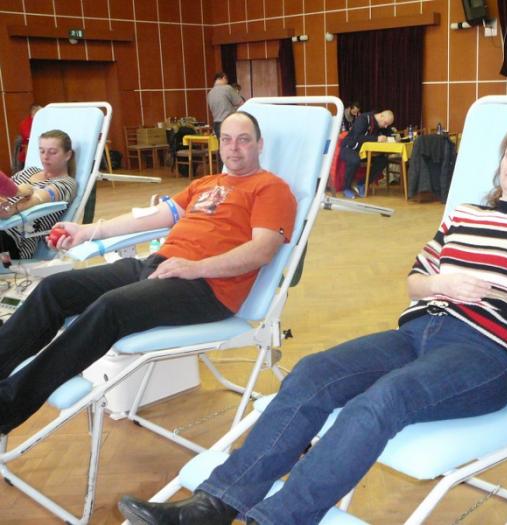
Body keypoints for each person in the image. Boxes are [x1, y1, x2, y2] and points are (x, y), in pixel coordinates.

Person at [118, 122, 507, 525]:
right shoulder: (464, 215)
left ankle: (277, 519)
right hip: (416, 332)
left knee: (385, 398)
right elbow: (415, 282)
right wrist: (443, 284)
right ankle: (214, 505)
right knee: (312, 372)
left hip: (483, 353)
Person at [0, 112, 297, 435]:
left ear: (259, 145)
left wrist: (195, 267)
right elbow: (150, 217)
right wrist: (87, 231)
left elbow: (261, 250)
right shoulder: (205, 184)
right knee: (55, 289)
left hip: (206, 286)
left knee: (110, 308)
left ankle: (8, 404)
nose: (234, 148)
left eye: (244, 140)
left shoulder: (271, 188)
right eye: (227, 139)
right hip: (158, 265)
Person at [0, 129, 77, 259]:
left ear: (67, 155)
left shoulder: (67, 183)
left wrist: (11, 209)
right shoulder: (30, 171)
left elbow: (39, 198)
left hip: (14, 244)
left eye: (52, 152)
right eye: (42, 151)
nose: (45, 157)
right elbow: (4, 190)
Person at [339, 109, 394, 199]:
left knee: (383, 160)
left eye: (387, 125)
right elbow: (357, 137)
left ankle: (362, 183)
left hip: (365, 152)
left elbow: (389, 132)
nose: (386, 126)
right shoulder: (363, 119)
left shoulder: (380, 123)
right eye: (385, 123)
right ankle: (346, 188)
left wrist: (393, 137)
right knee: (354, 160)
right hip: (349, 148)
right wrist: (376, 139)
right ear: (381, 116)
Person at [207, 72, 245, 141]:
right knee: (232, 144)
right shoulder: (227, 88)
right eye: (227, 79)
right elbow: (241, 103)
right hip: (229, 122)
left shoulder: (210, 93)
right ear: (223, 78)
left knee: (222, 145)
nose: (227, 82)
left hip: (216, 124)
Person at [15, 103, 42, 172]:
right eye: (36, 111)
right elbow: (28, 136)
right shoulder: (25, 123)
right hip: (28, 151)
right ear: (32, 112)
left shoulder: (44, 120)